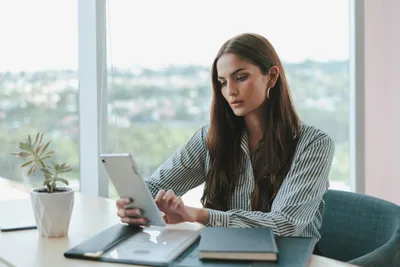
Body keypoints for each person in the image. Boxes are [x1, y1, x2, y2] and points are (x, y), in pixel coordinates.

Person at [116, 33, 335, 239]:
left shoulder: (314, 144)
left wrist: (200, 215)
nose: (230, 91)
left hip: (289, 257)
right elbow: (156, 187)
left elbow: (285, 223)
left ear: (271, 76)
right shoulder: (210, 137)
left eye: (240, 77)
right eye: (222, 82)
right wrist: (136, 206)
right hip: (223, 252)